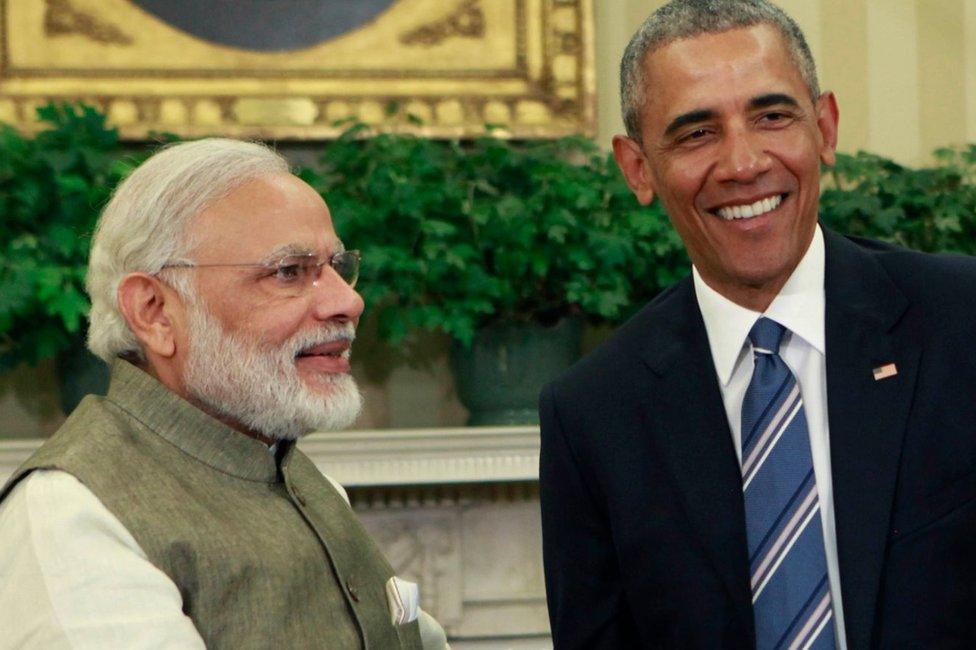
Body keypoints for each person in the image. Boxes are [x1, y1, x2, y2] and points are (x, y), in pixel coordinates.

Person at [539, 1, 976, 648]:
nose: (743, 164)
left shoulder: (960, 322)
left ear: (824, 128)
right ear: (637, 168)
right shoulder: (594, 414)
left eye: (772, 116)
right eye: (696, 133)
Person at [0, 138, 448, 648]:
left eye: (337, 267)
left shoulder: (299, 477)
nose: (349, 300)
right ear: (153, 311)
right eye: (288, 272)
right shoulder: (71, 513)